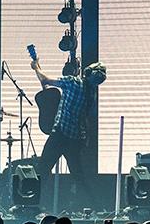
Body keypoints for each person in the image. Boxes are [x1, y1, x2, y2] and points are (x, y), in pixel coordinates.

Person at [30, 59, 106, 210]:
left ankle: (30, 203)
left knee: (43, 170)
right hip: (75, 139)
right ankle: (95, 208)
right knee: (78, 176)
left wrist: (36, 68)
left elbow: (45, 80)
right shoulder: (92, 93)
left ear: (87, 72)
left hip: (60, 134)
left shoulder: (72, 82)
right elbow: (87, 116)